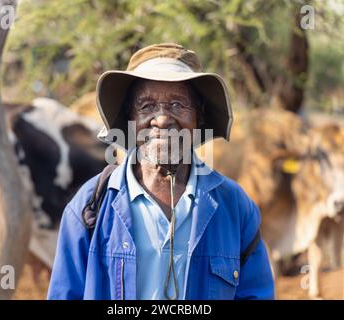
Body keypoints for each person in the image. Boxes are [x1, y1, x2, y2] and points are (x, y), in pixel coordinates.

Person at [47, 43, 275, 300]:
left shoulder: (235, 207)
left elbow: (256, 294)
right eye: (146, 106)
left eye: (177, 104)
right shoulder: (89, 208)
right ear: (130, 119)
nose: (163, 119)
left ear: (198, 116)